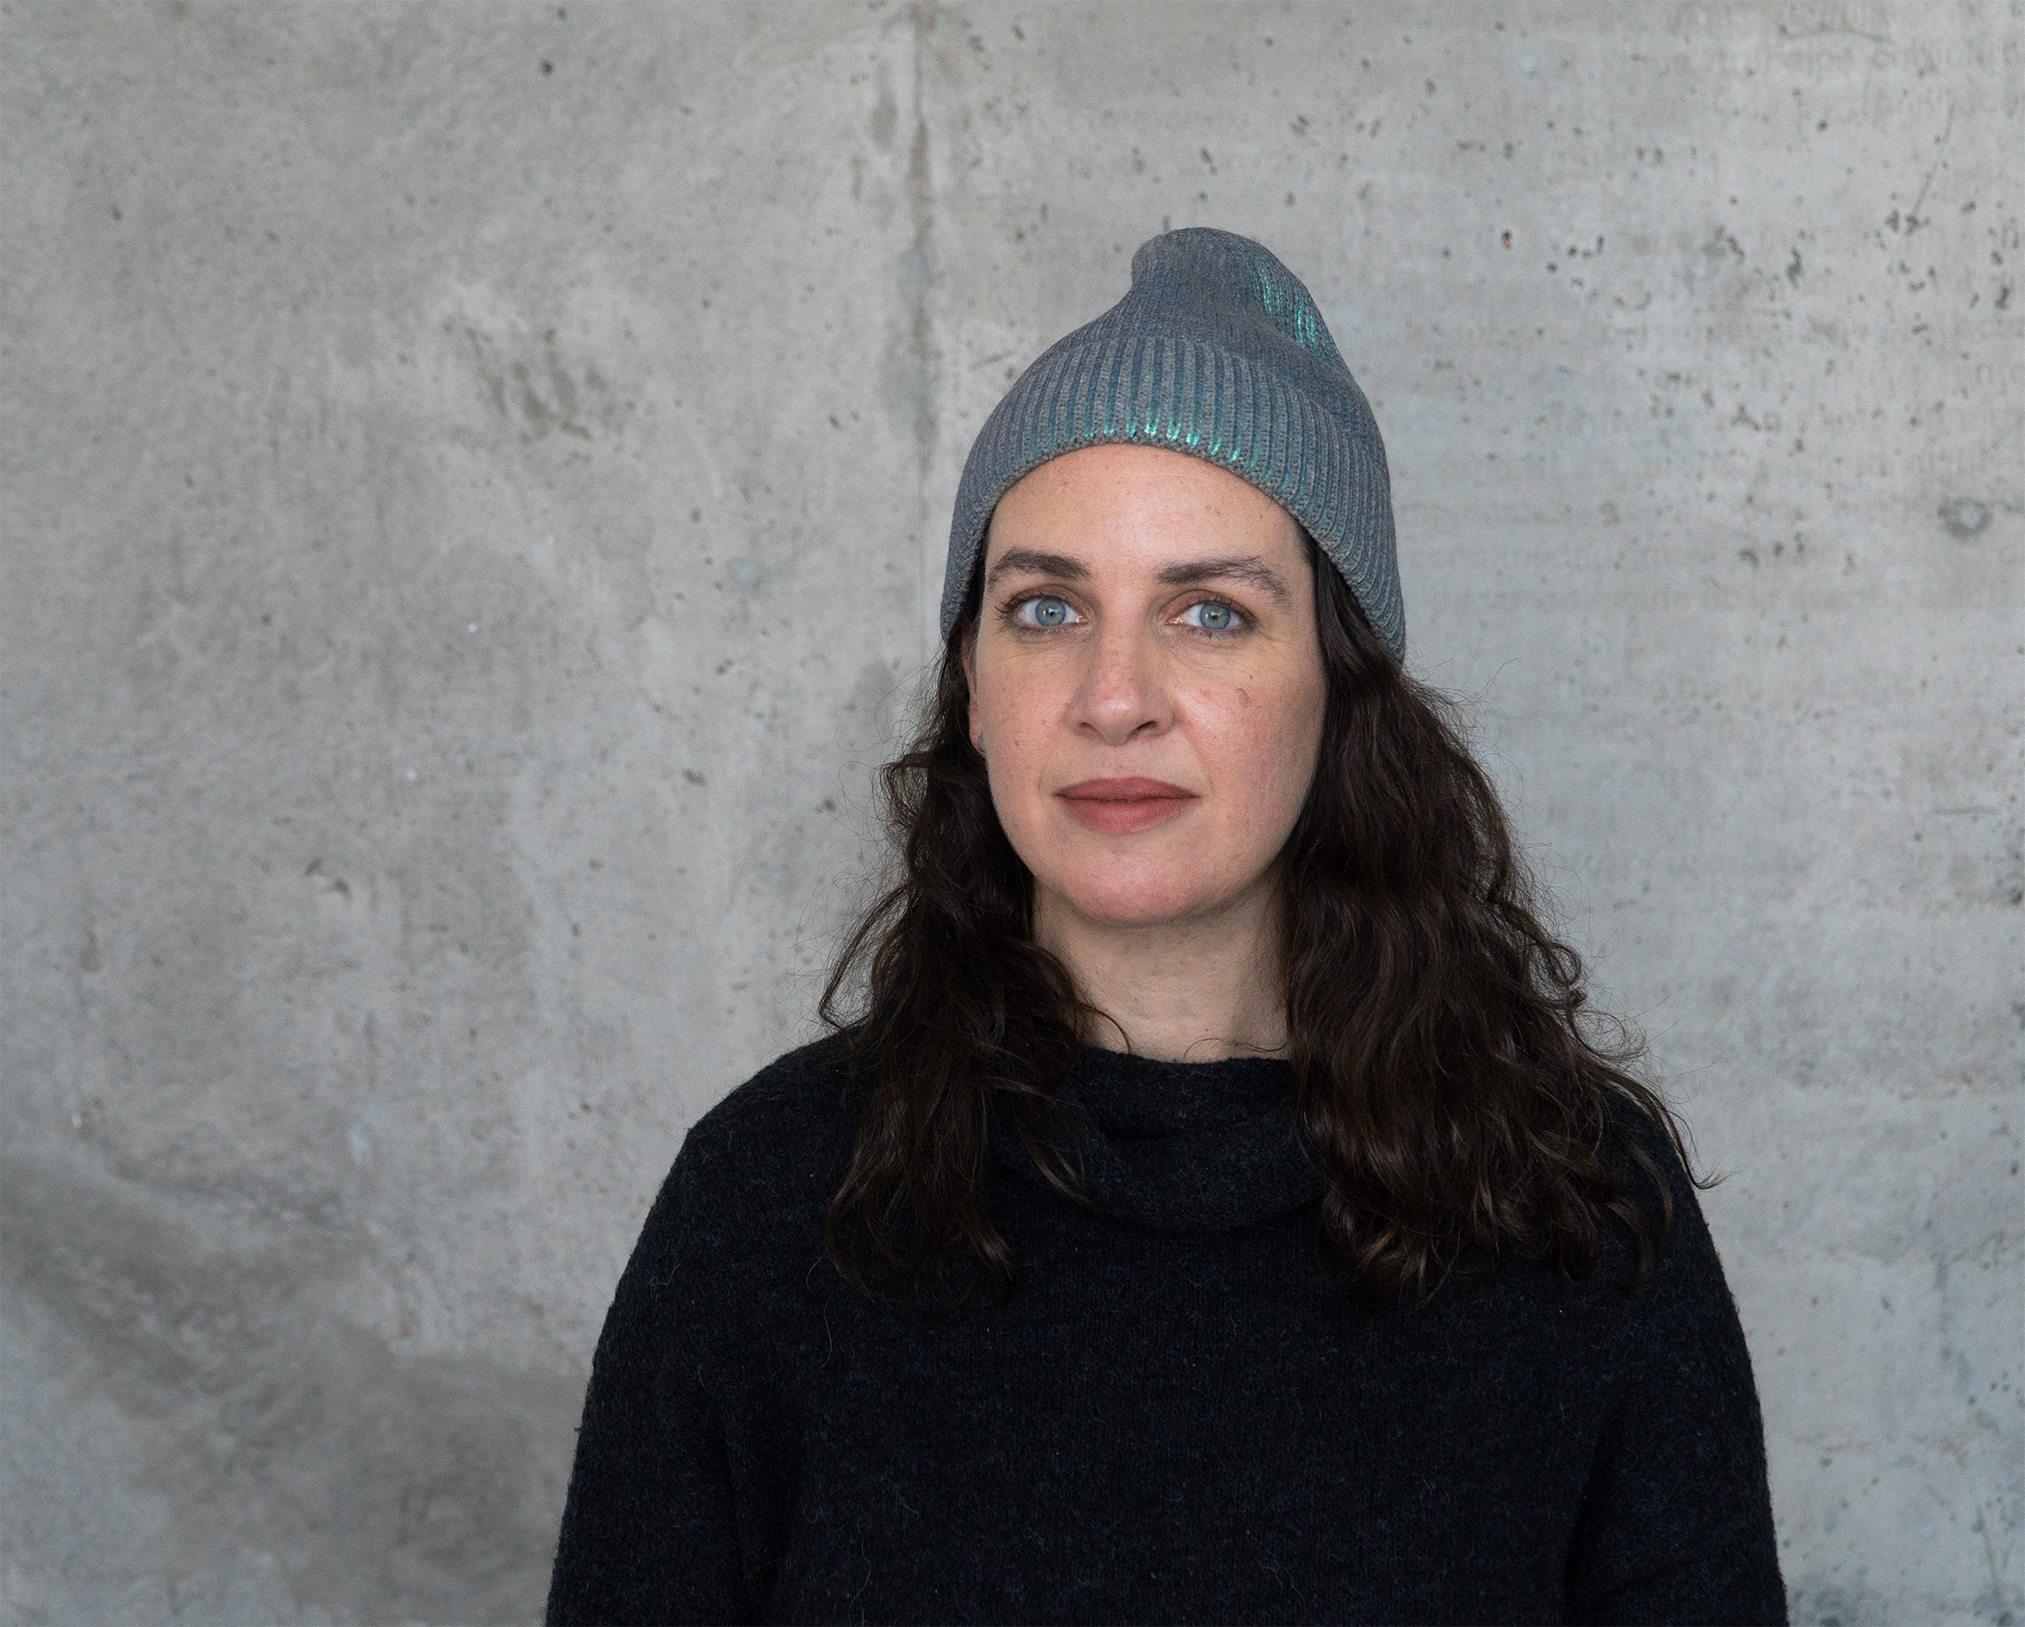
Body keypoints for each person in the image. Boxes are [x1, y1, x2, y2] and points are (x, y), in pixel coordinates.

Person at [545, 228, 1786, 1625]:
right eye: (1044, 608)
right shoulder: (773, 1202)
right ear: (971, 690)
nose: (1113, 693)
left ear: (1340, 681)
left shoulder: (1573, 1212)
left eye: (1208, 611)